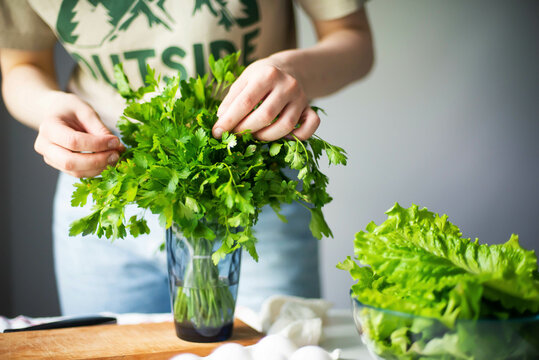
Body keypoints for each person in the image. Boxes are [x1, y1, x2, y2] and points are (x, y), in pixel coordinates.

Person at [0, 0, 373, 314]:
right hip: (105, 176)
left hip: (253, 181)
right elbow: (21, 65)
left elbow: (352, 37)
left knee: (278, 347)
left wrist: (296, 72)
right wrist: (46, 107)